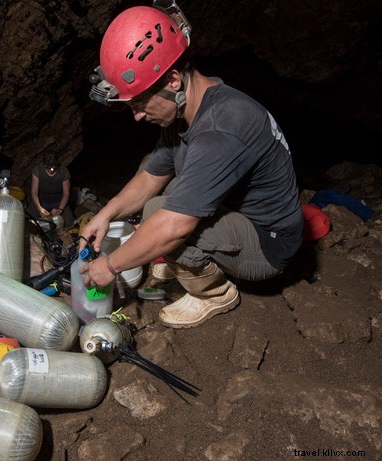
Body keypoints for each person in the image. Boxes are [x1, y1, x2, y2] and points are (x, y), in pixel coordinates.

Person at [78, 3, 302, 328]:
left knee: (160, 216)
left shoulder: (222, 128)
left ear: (172, 80)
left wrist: (110, 266)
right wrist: (106, 214)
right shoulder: (188, 107)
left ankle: (214, 293)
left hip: (269, 243)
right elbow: (150, 176)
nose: (137, 116)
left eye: (140, 103)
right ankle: (189, 258)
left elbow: (175, 226)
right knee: (164, 191)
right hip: (237, 213)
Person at [27, 153, 72, 228]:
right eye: (48, 168)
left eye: (54, 168)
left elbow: (66, 194)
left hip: (58, 201)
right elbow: (34, 192)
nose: (51, 170)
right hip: (42, 201)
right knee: (28, 220)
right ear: (44, 165)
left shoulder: (63, 171)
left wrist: (60, 209)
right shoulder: (38, 170)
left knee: (69, 222)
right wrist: (39, 208)